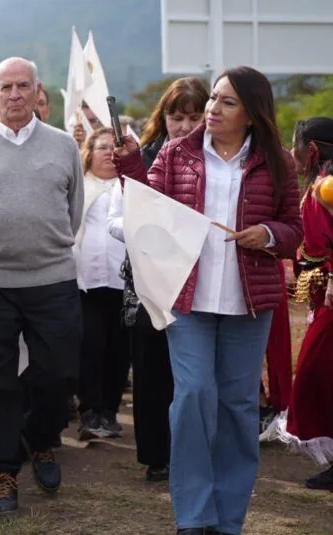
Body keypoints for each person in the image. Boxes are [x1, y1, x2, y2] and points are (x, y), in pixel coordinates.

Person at [113, 66, 303, 535]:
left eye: (227, 101)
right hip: (188, 297)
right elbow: (149, 209)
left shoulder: (279, 161)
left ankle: (228, 519)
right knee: (194, 395)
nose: (213, 108)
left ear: (252, 113)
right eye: (214, 98)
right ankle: (194, 516)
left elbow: (293, 230)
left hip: (249, 304)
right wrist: (131, 167)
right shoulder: (177, 152)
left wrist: (268, 233)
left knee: (238, 406)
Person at [0, 57, 83, 518]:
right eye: (5, 87)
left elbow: (73, 211)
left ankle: (42, 439)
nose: (14, 94)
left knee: (56, 375)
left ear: (36, 90)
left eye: (23, 85)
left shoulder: (64, 145)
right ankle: (2, 474)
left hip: (53, 278)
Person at [109, 76, 208, 481]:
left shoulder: (216, 160)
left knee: (193, 374)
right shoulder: (141, 157)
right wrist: (146, 229)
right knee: (151, 370)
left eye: (193, 117)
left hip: (198, 280)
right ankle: (156, 456)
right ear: (162, 117)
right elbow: (116, 218)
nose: (184, 126)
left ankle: (194, 449)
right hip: (149, 279)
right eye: (176, 117)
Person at [261, 116, 333, 491]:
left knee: (313, 374)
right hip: (323, 298)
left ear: (313, 149)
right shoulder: (319, 185)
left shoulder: (328, 187)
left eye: (297, 144)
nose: (293, 151)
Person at [74, 127, 128, 441]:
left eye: (114, 147)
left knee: (119, 350)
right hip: (86, 282)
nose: (109, 153)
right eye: (102, 147)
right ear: (89, 152)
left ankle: (109, 410)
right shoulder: (79, 185)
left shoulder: (130, 186)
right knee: (89, 346)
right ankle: (89, 411)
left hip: (123, 283)